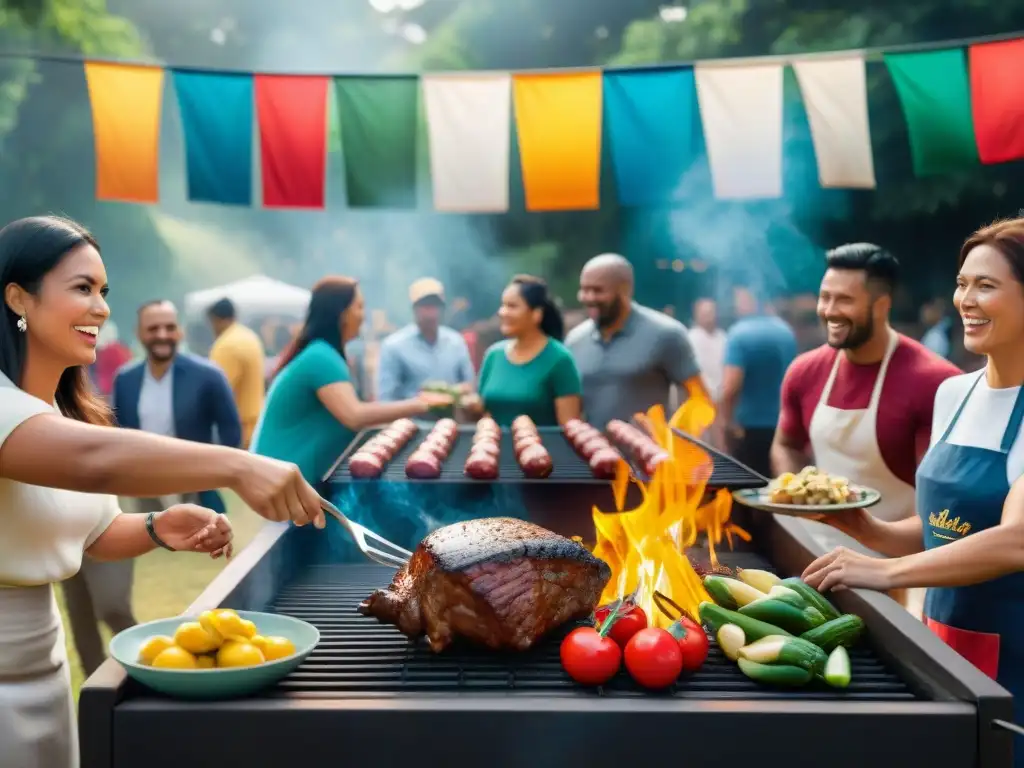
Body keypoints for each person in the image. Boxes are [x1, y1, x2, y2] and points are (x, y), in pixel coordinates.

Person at [0, 215, 324, 768]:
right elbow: (95, 462)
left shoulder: (60, 411)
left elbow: (95, 533)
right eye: (82, 288)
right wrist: (238, 465)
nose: (102, 308)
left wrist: (154, 528)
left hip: (45, 666)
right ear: (18, 299)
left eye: (103, 291)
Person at [802, 219, 1024, 759]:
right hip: (945, 641)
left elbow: (1016, 540)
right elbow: (942, 531)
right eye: (962, 283)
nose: (965, 300)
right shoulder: (955, 393)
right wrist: (865, 528)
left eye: (986, 286)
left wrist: (884, 571)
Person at [771, 243, 960, 607]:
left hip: (890, 570)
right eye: (824, 297)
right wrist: (795, 490)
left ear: (882, 305)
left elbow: (939, 503)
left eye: (843, 300)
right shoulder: (804, 372)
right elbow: (786, 444)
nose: (828, 311)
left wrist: (889, 559)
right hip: (810, 555)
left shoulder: (933, 382)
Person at [251, 277, 451, 486]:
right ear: (342, 313)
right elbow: (354, 415)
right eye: (359, 307)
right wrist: (420, 404)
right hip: (280, 483)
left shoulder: (324, 353)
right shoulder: (320, 357)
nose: (363, 315)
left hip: (290, 479)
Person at [566, 253, 706, 429]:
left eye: (598, 290)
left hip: (650, 454)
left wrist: (683, 442)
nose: (588, 297)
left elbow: (699, 396)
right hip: (592, 454)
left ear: (625, 290)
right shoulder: (575, 340)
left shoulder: (666, 334)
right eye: (584, 289)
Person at [471, 275, 581, 427]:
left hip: (543, 450)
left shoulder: (560, 359)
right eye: (502, 305)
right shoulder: (493, 355)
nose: (502, 312)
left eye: (512, 306)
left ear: (536, 314)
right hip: (494, 449)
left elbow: (570, 427)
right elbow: (486, 414)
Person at [719, 287, 798, 475]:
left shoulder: (739, 333)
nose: (736, 305)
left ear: (752, 300)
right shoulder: (786, 332)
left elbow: (731, 387)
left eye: (740, 299)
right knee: (775, 490)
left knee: (745, 490)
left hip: (748, 428)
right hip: (782, 426)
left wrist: (726, 423)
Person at [376, 278, 475, 403]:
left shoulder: (456, 342)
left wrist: (452, 393)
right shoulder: (393, 346)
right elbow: (386, 399)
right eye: (425, 305)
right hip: (411, 420)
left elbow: (469, 387)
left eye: (435, 305)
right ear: (414, 308)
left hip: (452, 419)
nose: (431, 312)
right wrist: (422, 402)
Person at [207, 297, 267, 448]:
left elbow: (215, 392)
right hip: (257, 425)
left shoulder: (226, 345)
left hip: (238, 431)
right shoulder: (249, 337)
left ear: (216, 319)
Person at [688, 297, 727, 401]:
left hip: (722, 398)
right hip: (699, 399)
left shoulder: (723, 338)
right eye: (704, 313)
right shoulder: (689, 339)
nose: (708, 316)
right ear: (696, 314)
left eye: (710, 312)